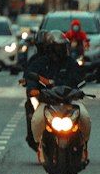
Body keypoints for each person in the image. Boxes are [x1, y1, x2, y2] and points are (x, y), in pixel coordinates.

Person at [23, 30, 95, 159]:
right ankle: (40, 146)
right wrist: (32, 89)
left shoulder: (70, 62)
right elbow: (31, 77)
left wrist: (83, 83)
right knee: (36, 120)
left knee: (85, 118)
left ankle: (83, 145)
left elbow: (80, 76)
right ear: (50, 47)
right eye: (59, 46)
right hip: (48, 102)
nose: (62, 49)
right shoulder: (40, 63)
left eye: (63, 46)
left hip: (70, 100)